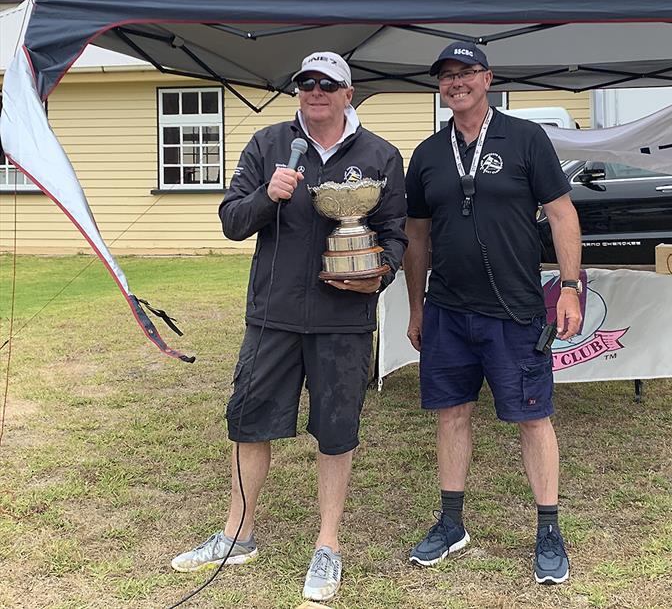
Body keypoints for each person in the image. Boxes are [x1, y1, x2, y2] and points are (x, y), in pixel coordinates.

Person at [170, 51, 407, 602]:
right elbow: (232, 221)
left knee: (336, 430)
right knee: (249, 424)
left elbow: (396, 231)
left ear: (349, 92)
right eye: (306, 83)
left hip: (343, 319)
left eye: (328, 84)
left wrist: (382, 272)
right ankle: (237, 534)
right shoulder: (269, 144)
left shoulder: (380, 154)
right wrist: (265, 195)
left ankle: (327, 545)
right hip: (273, 315)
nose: (315, 91)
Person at [403, 41, 582, 585]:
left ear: (488, 78)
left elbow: (561, 213)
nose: (456, 82)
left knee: (533, 418)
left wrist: (570, 286)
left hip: (515, 310)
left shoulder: (526, 138)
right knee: (451, 414)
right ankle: (452, 523)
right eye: (447, 76)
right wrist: (416, 307)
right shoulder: (428, 153)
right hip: (448, 313)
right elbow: (415, 235)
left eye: (467, 73)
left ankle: (548, 529)